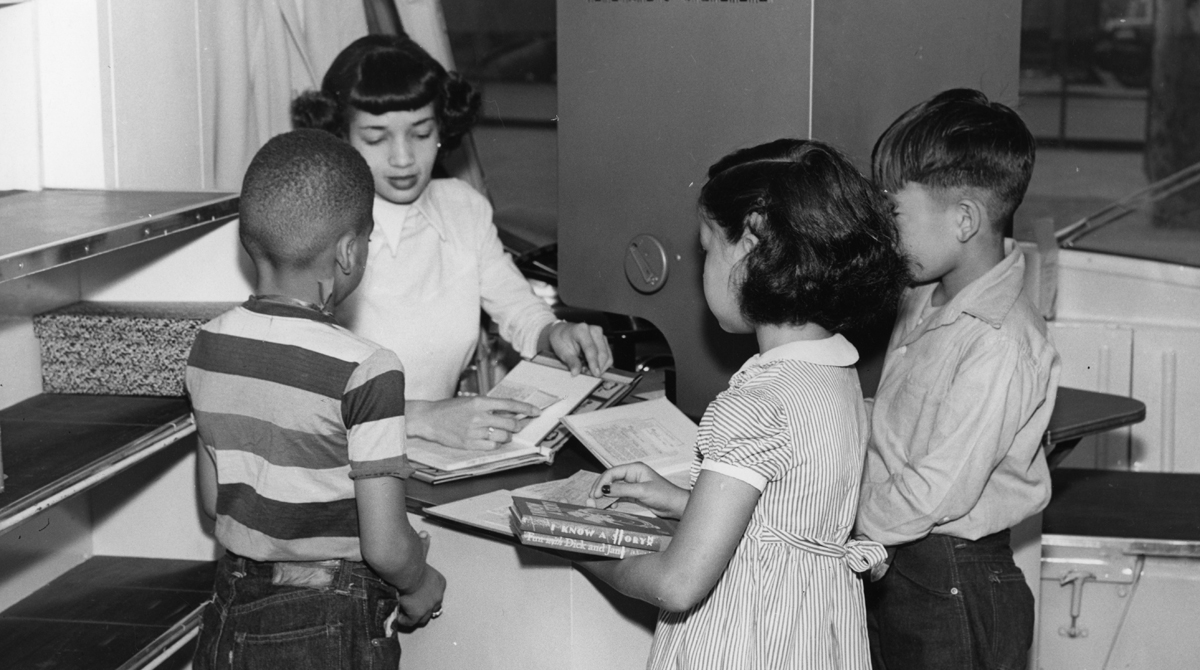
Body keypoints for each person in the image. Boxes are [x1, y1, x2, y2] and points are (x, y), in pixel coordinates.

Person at [579, 139, 911, 669]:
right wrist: (674, 498)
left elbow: (679, 583)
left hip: (744, 640)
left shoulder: (756, 401)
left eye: (709, 247)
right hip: (811, 634)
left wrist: (586, 550)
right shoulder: (834, 371)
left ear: (754, 244)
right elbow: (782, 524)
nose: (701, 267)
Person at [187, 129, 445, 669]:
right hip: (332, 620)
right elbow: (385, 547)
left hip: (232, 605)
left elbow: (215, 501)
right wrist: (421, 578)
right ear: (349, 252)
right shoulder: (367, 369)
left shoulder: (209, 344)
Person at [292, 35, 613, 452]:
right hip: (339, 456)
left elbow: (517, 309)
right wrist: (422, 418)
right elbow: (299, 389)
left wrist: (556, 333)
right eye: (376, 138)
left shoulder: (463, 208)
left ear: (443, 128)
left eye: (421, 133)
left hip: (439, 453)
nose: (404, 158)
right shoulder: (313, 227)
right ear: (340, 136)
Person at [855, 88, 1061, 670]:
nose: (884, 231)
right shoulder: (921, 298)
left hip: (957, 582)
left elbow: (938, 491)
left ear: (965, 219)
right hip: (901, 560)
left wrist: (835, 514)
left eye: (894, 213)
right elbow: (896, 430)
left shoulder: (1000, 340)